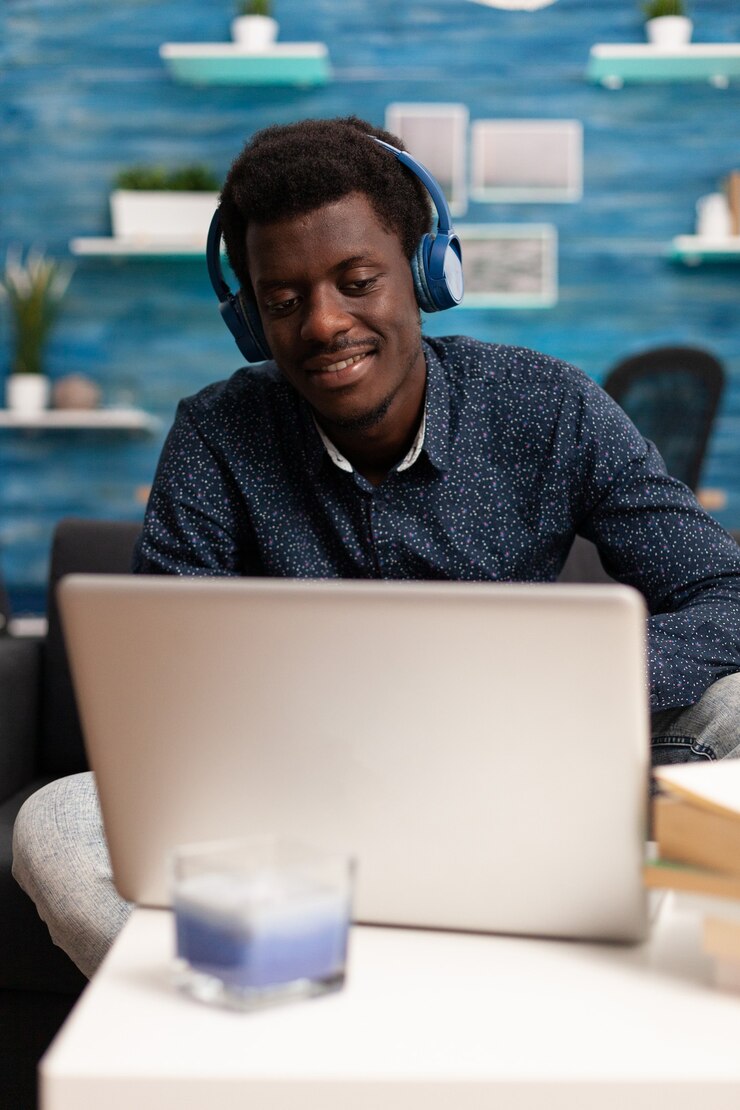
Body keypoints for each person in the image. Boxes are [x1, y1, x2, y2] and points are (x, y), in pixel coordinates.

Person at [13, 116, 740, 978]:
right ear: (251, 320)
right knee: (53, 823)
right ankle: (285, 1009)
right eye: (283, 301)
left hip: (529, 765)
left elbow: (724, 591)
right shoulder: (215, 433)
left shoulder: (550, 406)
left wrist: (580, 688)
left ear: (426, 273)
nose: (323, 324)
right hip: (293, 797)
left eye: (357, 281)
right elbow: (157, 694)